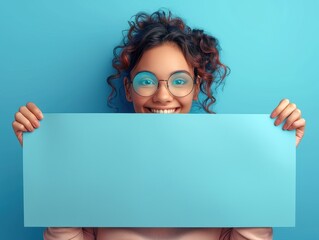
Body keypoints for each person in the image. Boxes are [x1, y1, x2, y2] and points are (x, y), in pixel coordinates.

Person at [12, 10, 305, 240]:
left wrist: (269, 167)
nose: (163, 96)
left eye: (179, 81)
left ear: (196, 88)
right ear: (128, 89)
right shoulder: (93, 167)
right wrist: (49, 167)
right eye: (146, 81)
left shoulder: (229, 168)